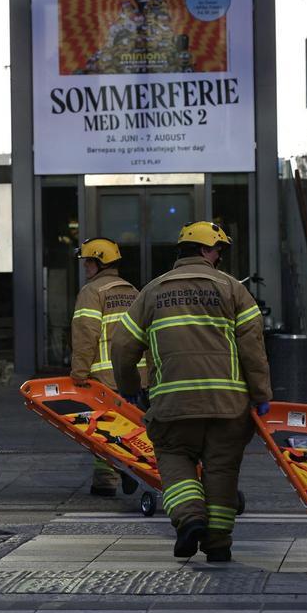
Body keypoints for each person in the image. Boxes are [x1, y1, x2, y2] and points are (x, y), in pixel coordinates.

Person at [112, 221, 272, 563]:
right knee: (222, 470)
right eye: (218, 250)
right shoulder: (232, 289)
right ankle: (218, 544)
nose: (219, 257)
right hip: (227, 406)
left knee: (173, 458)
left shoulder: (151, 292)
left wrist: (129, 389)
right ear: (203, 250)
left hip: (173, 405)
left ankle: (189, 519)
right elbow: (253, 348)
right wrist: (261, 395)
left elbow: (123, 345)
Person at [69, 237, 146, 497]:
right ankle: (131, 469)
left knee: (102, 430)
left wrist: (79, 373)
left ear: (100, 262)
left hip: (105, 378)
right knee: (130, 429)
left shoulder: (92, 293)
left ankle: (107, 480)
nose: (85, 267)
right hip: (136, 377)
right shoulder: (133, 292)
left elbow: (85, 336)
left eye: (88, 262)